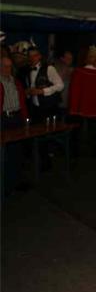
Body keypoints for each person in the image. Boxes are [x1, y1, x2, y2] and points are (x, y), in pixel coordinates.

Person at [68, 46, 96, 157]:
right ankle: (91, 152)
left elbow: (74, 91)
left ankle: (78, 152)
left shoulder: (82, 73)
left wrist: (74, 107)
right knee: (87, 131)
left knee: (83, 131)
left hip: (82, 108)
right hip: (90, 109)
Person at [1, 55, 28, 196]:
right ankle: (5, 186)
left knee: (17, 152)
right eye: (5, 66)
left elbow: (22, 101)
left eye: (10, 67)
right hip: (3, 119)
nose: (7, 69)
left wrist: (25, 118)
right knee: (4, 153)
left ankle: (15, 182)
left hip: (17, 118)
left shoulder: (16, 82)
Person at [25, 46, 63, 123]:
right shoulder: (27, 70)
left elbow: (60, 85)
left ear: (39, 56)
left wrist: (43, 91)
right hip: (34, 108)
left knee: (51, 129)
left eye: (35, 55)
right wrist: (28, 92)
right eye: (30, 56)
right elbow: (31, 87)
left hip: (49, 107)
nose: (32, 58)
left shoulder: (49, 68)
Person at [54, 50, 75, 117]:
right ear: (62, 58)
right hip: (60, 98)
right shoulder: (58, 66)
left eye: (71, 59)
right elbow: (59, 79)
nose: (70, 60)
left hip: (66, 99)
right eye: (68, 58)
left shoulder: (71, 68)